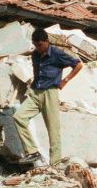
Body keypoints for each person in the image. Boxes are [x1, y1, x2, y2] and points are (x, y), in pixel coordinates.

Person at [12, 29, 83, 166]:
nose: (38, 48)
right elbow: (36, 70)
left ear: (46, 42)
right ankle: (32, 151)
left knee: (53, 130)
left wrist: (65, 80)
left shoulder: (57, 54)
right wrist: (32, 86)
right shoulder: (35, 55)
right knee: (18, 117)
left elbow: (78, 64)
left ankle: (55, 165)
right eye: (35, 45)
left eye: (40, 45)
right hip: (35, 93)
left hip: (50, 93)